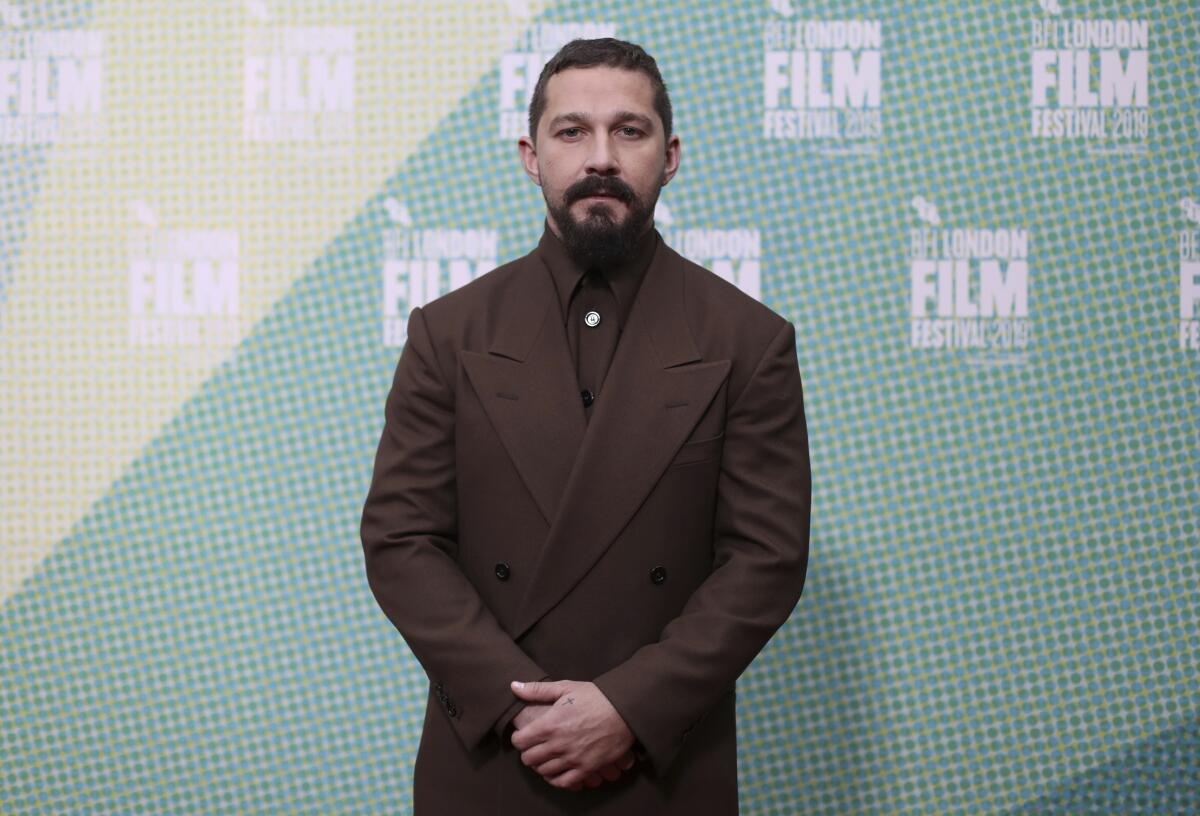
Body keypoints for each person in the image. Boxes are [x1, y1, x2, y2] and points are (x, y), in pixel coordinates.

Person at [360, 37, 811, 815]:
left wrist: (627, 709)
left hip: (661, 767)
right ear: (531, 156)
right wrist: (521, 711)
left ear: (670, 157)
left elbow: (764, 559)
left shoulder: (748, 340)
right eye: (573, 132)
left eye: (628, 131)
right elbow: (401, 541)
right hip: (494, 760)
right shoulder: (448, 333)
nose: (600, 156)